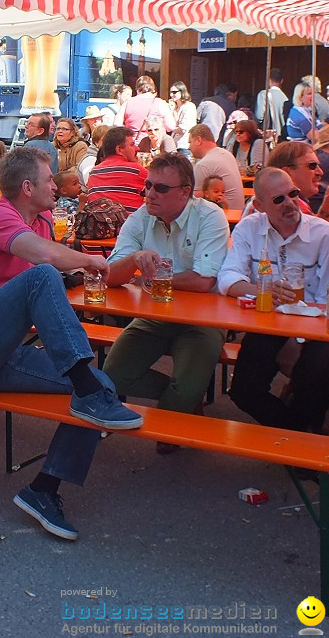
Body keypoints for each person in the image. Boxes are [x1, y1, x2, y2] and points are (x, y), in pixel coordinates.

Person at [0, 146, 141, 541]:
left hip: (2, 352)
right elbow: (44, 260)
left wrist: (135, 261)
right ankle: (84, 387)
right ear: (27, 187)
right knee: (43, 276)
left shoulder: (44, 222)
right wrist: (85, 261)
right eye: (50, 180)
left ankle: (44, 490)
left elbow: (79, 269)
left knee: (104, 388)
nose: (57, 185)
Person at [101, 152, 228, 452]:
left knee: (173, 416)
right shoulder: (141, 216)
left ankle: (182, 402)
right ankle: (183, 402)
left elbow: (204, 281)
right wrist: (133, 259)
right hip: (154, 315)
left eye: (160, 188)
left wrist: (148, 279)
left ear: (185, 192)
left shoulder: (209, 216)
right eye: (147, 185)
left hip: (202, 321)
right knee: (110, 378)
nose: (149, 194)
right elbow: (109, 276)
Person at [219, 167, 329, 433]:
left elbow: (328, 299)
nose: (290, 203)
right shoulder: (250, 228)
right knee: (243, 391)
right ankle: (301, 437)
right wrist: (261, 290)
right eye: (279, 199)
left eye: (293, 194)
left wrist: (295, 340)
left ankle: (306, 440)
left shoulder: (323, 233)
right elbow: (227, 277)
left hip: (315, 328)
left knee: (317, 375)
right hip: (268, 323)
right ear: (260, 205)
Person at [86, 126, 148, 212]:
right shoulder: (136, 170)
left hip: (98, 223)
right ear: (119, 149)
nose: (137, 148)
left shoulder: (94, 172)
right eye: (132, 144)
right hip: (129, 224)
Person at [187, 125, 244, 210]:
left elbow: (194, 200)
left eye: (190, 142)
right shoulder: (227, 154)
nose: (189, 147)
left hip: (224, 215)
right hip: (239, 213)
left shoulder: (204, 164)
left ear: (198, 140)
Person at [122, 75, 172, 147]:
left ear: (137, 89)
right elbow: (170, 126)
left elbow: (116, 124)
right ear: (153, 88)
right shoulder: (160, 103)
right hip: (156, 144)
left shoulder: (127, 102)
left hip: (132, 145)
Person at [255, 68, 288, 141]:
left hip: (269, 137)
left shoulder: (264, 94)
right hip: (281, 137)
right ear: (282, 81)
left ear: (268, 80)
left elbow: (259, 116)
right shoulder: (285, 98)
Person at [166, 81, 197, 153]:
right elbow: (171, 123)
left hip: (184, 145)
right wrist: (170, 110)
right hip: (174, 144)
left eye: (174, 92)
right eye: (170, 92)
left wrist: (171, 128)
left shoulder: (189, 106)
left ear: (182, 92)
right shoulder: (174, 107)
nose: (171, 95)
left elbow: (183, 129)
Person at [77, 124, 108, 189]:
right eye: (104, 140)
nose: (108, 143)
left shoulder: (105, 156)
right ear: (96, 142)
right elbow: (91, 186)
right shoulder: (90, 159)